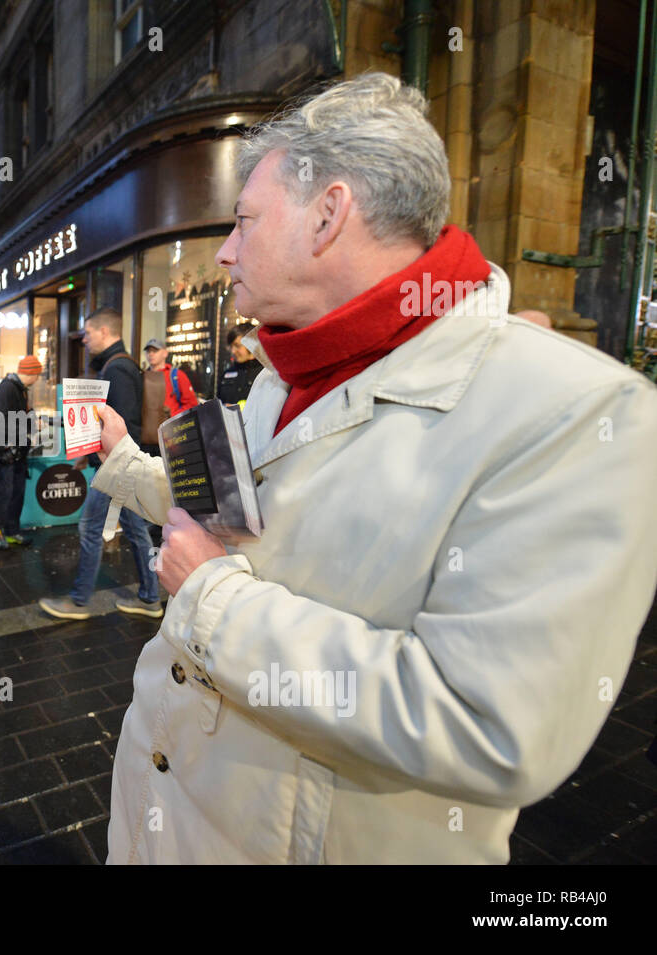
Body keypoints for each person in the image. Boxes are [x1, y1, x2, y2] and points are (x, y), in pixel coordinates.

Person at [88, 72, 657, 864]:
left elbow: (484, 722)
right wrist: (121, 460)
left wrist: (213, 599)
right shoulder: (283, 371)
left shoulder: (574, 413)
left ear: (329, 214)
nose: (224, 250)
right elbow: (227, 511)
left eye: (246, 221)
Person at [39, 308, 161, 621]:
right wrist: (90, 454)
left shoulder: (117, 368)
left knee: (90, 528)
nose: (85, 339)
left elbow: (122, 424)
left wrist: (101, 459)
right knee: (135, 532)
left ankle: (79, 601)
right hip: (120, 463)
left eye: (88, 333)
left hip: (117, 466)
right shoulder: (121, 364)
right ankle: (149, 597)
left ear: (104, 332)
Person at [0, 355, 41, 550]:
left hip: (17, 451)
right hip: (4, 453)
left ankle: (12, 531)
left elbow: (22, 415)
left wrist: (33, 421)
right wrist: (6, 451)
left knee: (16, 493)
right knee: (4, 494)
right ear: (33, 373)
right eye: (38, 375)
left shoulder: (20, 389)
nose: (38, 380)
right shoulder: (8, 388)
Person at [139, 338, 198, 451]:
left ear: (165, 353)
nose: (151, 354)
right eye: (148, 351)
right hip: (146, 437)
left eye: (155, 351)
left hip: (171, 437)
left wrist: (172, 416)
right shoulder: (142, 376)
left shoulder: (176, 376)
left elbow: (192, 404)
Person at [216, 323, 263, 405]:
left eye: (237, 346)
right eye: (231, 347)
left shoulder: (264, 373)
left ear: (251, 344)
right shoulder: (226, 374)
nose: (233, 351)